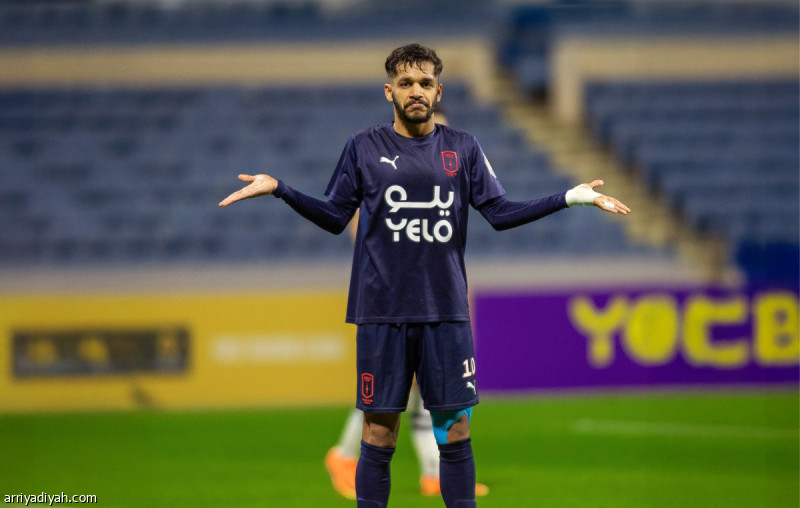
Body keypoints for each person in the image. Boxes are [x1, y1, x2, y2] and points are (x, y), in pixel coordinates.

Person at [219, 43, 630, 508]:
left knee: (455, 429)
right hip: (383, 314)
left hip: (445, 313)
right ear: (389, 91)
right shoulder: (363, 146)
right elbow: (335, 216)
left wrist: (570, 197)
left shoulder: (463, 147)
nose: (416, 91)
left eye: (425, 83)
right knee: (379, 433)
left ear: (439, 91)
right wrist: (281, 189)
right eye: (406, 83)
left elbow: (499, 212)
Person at [324, 107, 489, 500]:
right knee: (394, 398)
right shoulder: (383, 172)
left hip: (434, 297)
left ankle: (429, 471)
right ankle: (347, 455)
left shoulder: (446, 173)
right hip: (392, 301)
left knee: (417, 397)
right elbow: (360, 228)